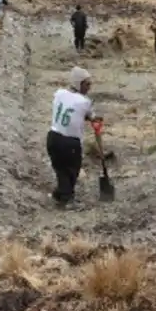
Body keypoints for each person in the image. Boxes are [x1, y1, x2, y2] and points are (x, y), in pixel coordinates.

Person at [46, 66, 102, 208]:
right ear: (79, 83)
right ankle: (66, 199)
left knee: (60, 168)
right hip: (70, 141)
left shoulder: (59, 93)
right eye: (87, 84)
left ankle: (59, 193)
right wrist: (95, 120)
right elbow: (91, 117)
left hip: (53, 138)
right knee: (72, 169)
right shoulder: (84, 102)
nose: (89, 87)